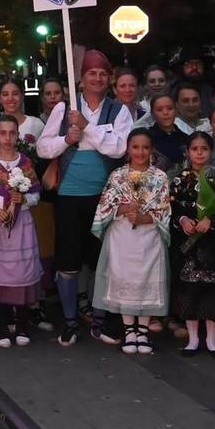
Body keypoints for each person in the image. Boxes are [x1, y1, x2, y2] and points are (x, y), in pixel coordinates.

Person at [35, 49, 136, 345]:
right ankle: (69, 322)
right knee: (68, 261)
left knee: (101, 259)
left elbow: (118, 149)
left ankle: (100, 320)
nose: (97, 78)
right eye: (92, 73)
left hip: (104, 196)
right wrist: (68, 138)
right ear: (81, 79)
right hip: (68, 194)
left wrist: (88, 128)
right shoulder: (65, 108)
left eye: (103, 74)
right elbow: (43, 148)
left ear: (110, 80)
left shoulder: (119, 111)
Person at [91, 129, 172, 355]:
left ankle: (143, 330)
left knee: (145, 279)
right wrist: (123, 208)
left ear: (152, 150)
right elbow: (104, 205)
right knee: (124, 277)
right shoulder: (117, 175)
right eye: (135, 147)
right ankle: (129, 330)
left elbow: (165, 209)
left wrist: (146, 217)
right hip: (122, 236)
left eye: (145, 147)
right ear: (128, 149)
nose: (140, 152)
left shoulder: (159, 177)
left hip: (149, 237)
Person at [170, 131, 215, 356]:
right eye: (194, 149)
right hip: (189, 243)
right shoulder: (180, 178)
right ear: (188, 152)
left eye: (204, 149)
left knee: (214, 290)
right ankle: (192, 339)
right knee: (190, 290)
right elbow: (173, 207)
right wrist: (183, 220)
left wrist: (212, 220)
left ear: (211, 151)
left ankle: (211, 339)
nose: (199, 153)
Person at [0, 116, 42, 348]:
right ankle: (3, 326)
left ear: (18, 135)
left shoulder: (24, 163)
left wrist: (23, 199)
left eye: (12, 133)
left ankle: (22, 323)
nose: (7, 138)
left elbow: (36, 194)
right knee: (0, 273)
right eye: (2, 133)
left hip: (20, 225)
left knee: (21, 272)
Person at [145, 93, 188, 171]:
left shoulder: (186, 139)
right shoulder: (146, 139)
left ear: (176, 110)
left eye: (170, 108)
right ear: (152, 114)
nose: (165, 113)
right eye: (159, 110)